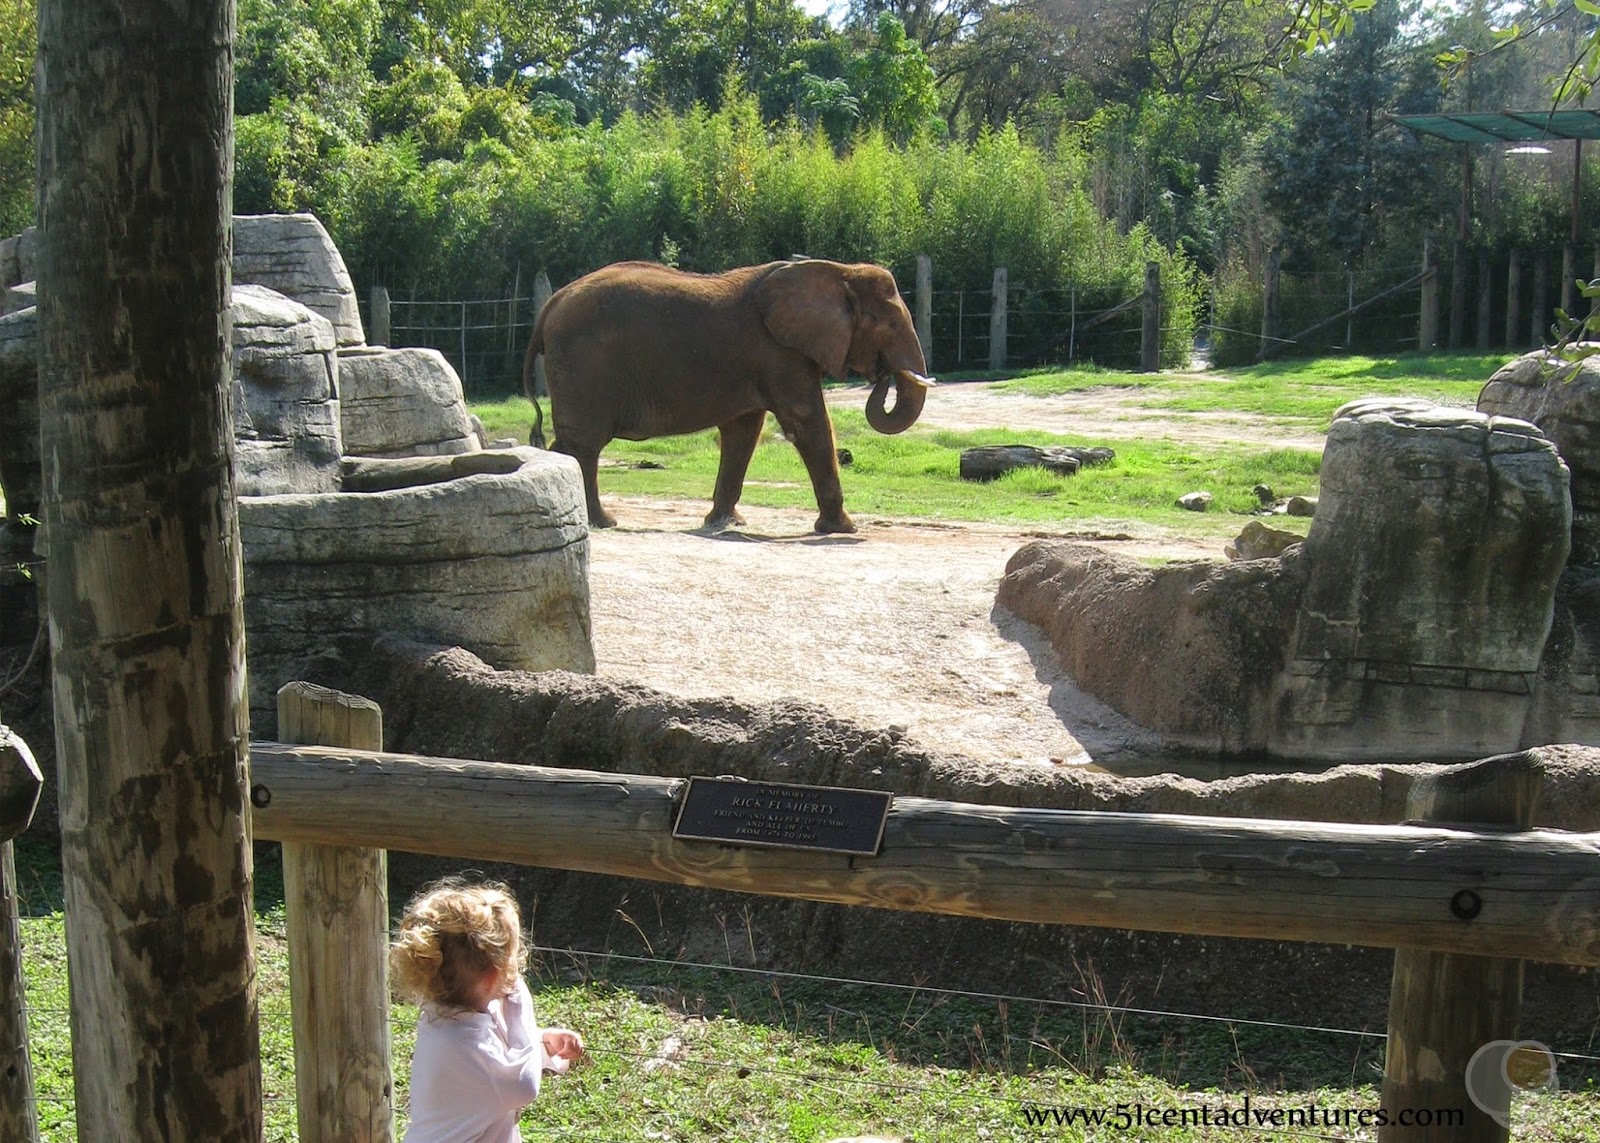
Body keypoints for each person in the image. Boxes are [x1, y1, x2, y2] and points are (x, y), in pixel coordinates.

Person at [390, 878, 585, 1142]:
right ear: (493, 977)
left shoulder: (443, 1018)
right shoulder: (464, 1041)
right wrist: (521, 1003)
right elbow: (523, 1085)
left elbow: (498, 1061)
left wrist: (543, 1042)